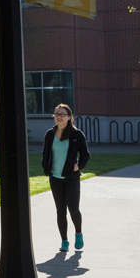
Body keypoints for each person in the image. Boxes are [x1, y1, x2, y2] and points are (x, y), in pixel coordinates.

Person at [41, 103, 91, 252]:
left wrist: (78, 166)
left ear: (69, 117)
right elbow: (45, 153)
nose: (59, 116)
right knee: (60, 210)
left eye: (62, 114)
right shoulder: (50, 134)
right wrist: (46, 168)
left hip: (71, 177)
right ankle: (64, 241)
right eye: (57, 114)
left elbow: (85, 154)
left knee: (73, 209)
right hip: (55, 178)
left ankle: (78, 234)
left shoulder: (76, 134)